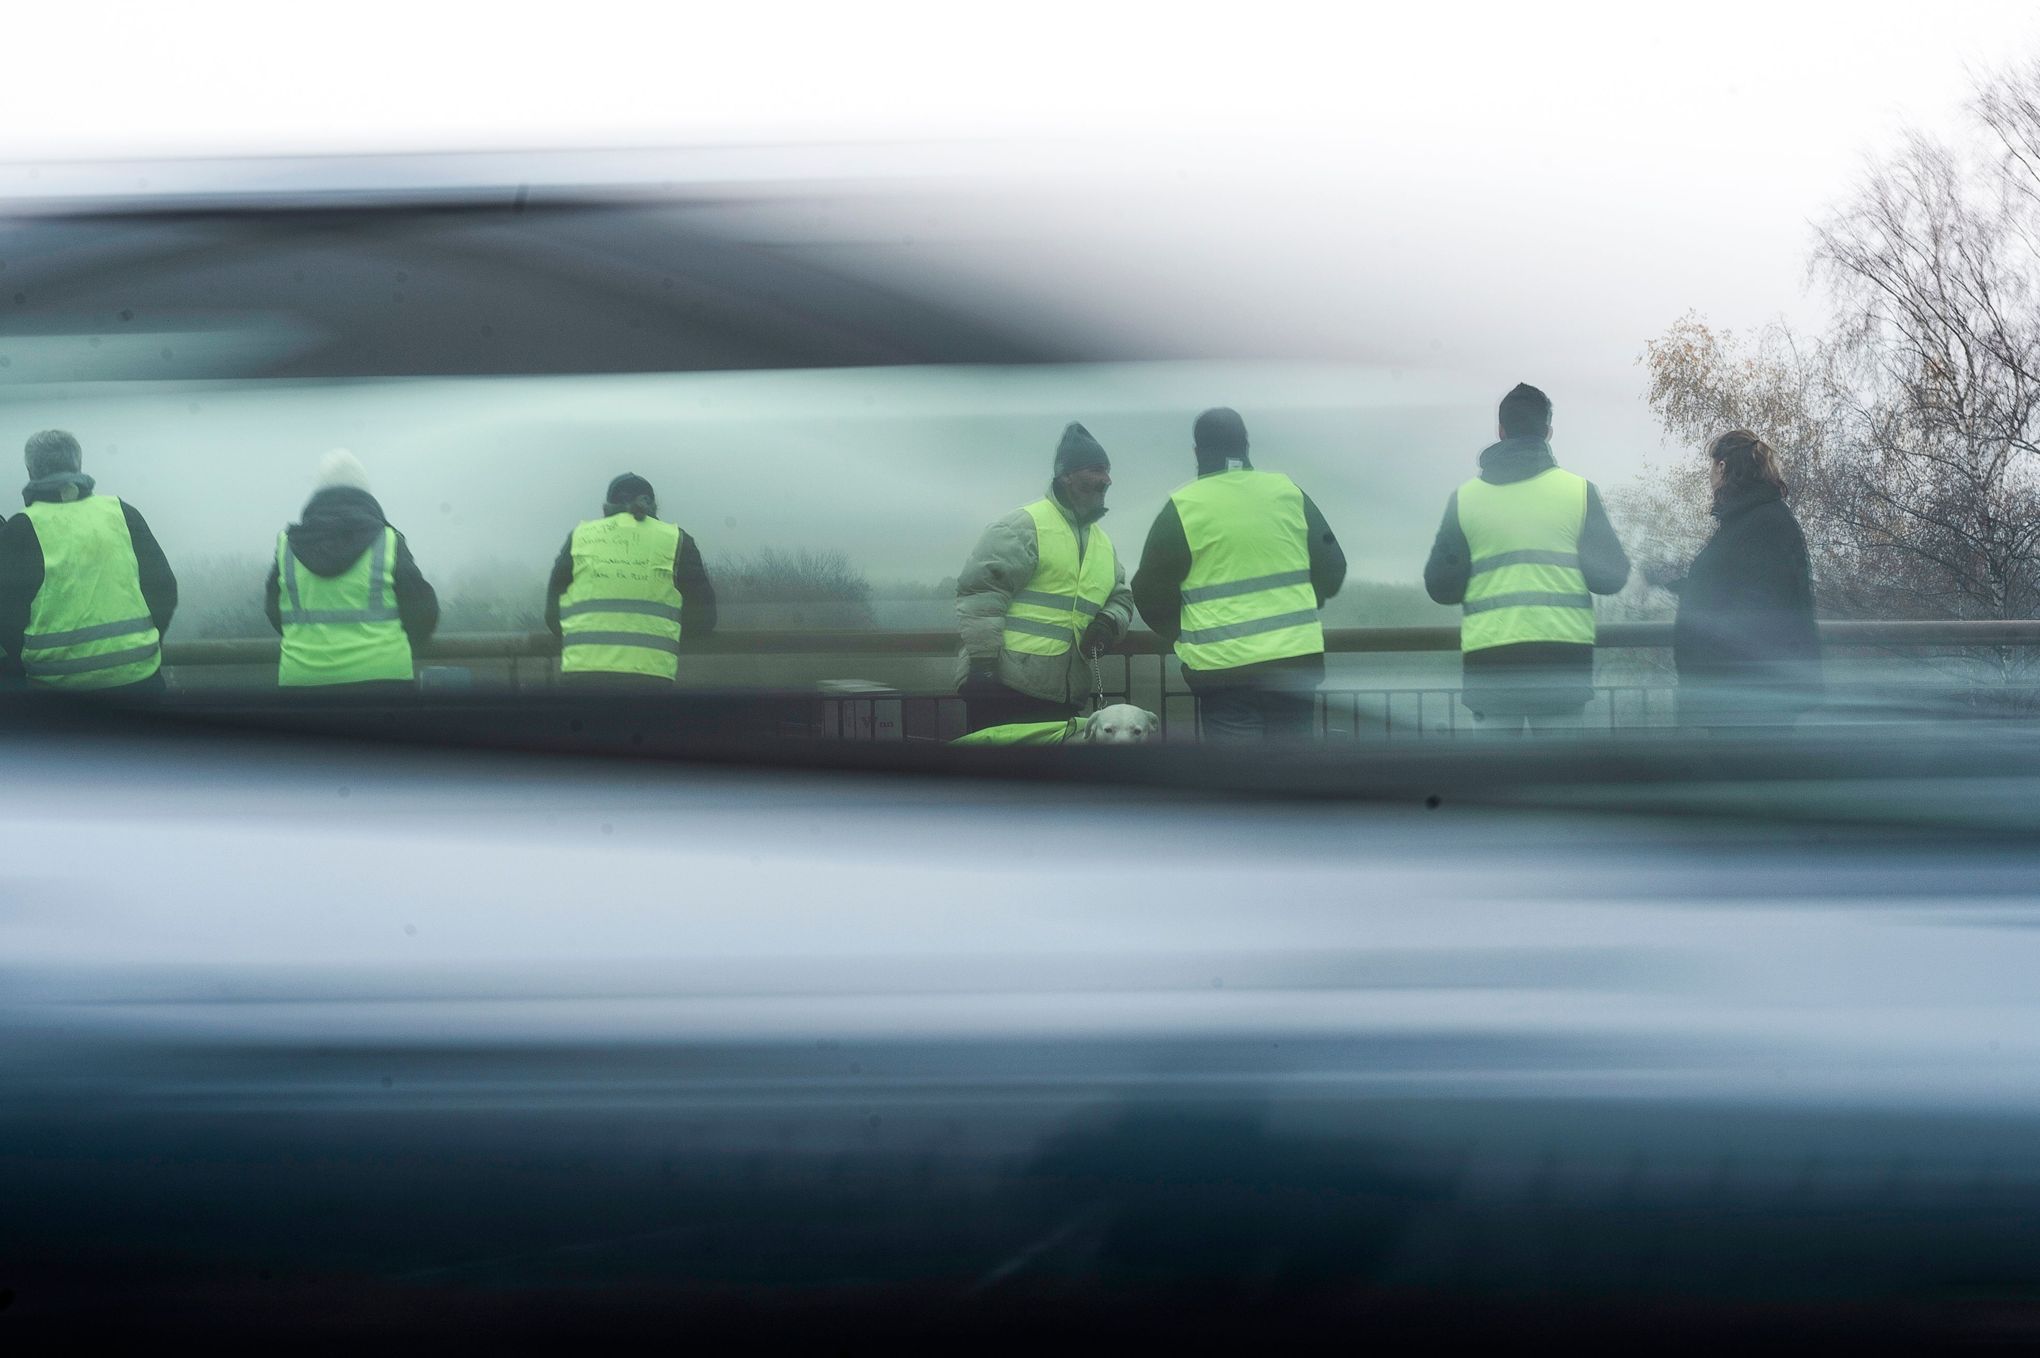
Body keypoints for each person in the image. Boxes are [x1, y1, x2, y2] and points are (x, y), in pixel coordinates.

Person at [1424, 383, 1629, 734]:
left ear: (1500, 431)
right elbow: (1610, 578)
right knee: (1558, 782)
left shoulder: (1465, 499)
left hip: (1490, 670)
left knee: (1495, 785)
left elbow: (1441, 588)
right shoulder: (1578, 492)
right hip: (1561, 669)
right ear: (1548, 432)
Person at [1131, 407, 1346, 741]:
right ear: (1245, 447)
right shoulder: (1288, 493)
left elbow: (1148, 592)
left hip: (1223, 672)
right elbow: (1334, 567)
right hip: (1293, 664)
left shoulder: (1185, 505)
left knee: (1239, 780)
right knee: (1292, 778)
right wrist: (1296, 606)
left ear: (1197, 452)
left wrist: (1185, 632)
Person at [955, 423, 1135, 731]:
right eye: (1096, 470)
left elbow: (1122, 597)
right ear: (1067, 475)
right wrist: (984, 667)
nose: (1106, 479)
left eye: (1107, 471)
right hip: (1003, 689)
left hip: (1064, 697)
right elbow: (982, 594)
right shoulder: (1023, 525)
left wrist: (1108, 623)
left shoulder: (1102, 542)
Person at [0, 429, 176, 693]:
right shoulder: (122, 513)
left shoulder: (20, 528)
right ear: (78, 464)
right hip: (139, 684)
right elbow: (164, 587)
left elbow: (6, 612)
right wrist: (143, 647)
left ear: (30, 470)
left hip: (56, 694)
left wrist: (26, 662)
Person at [1670, 430, 1822, 729]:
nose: (1710, 476)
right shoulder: (1760, 519)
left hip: (1743, 697)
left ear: (1723, 467)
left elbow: (1740, 600)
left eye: (1711, 467)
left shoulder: (1755, 525)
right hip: (1752, 693)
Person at [263, 450, 439, 690]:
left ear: (317, 494)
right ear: (365, 493)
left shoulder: (286, 544)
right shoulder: (387, 541)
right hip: (384, 684)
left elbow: (275, 612)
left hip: (302, 684)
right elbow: (423, 613)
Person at [545, 472, 716, 685]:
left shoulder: (579, 537)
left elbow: (553, 615)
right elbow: (703, 619)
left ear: (607, 507)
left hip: (582, 678)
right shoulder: (678, 541)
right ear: (653, 506)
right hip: (650, 679)